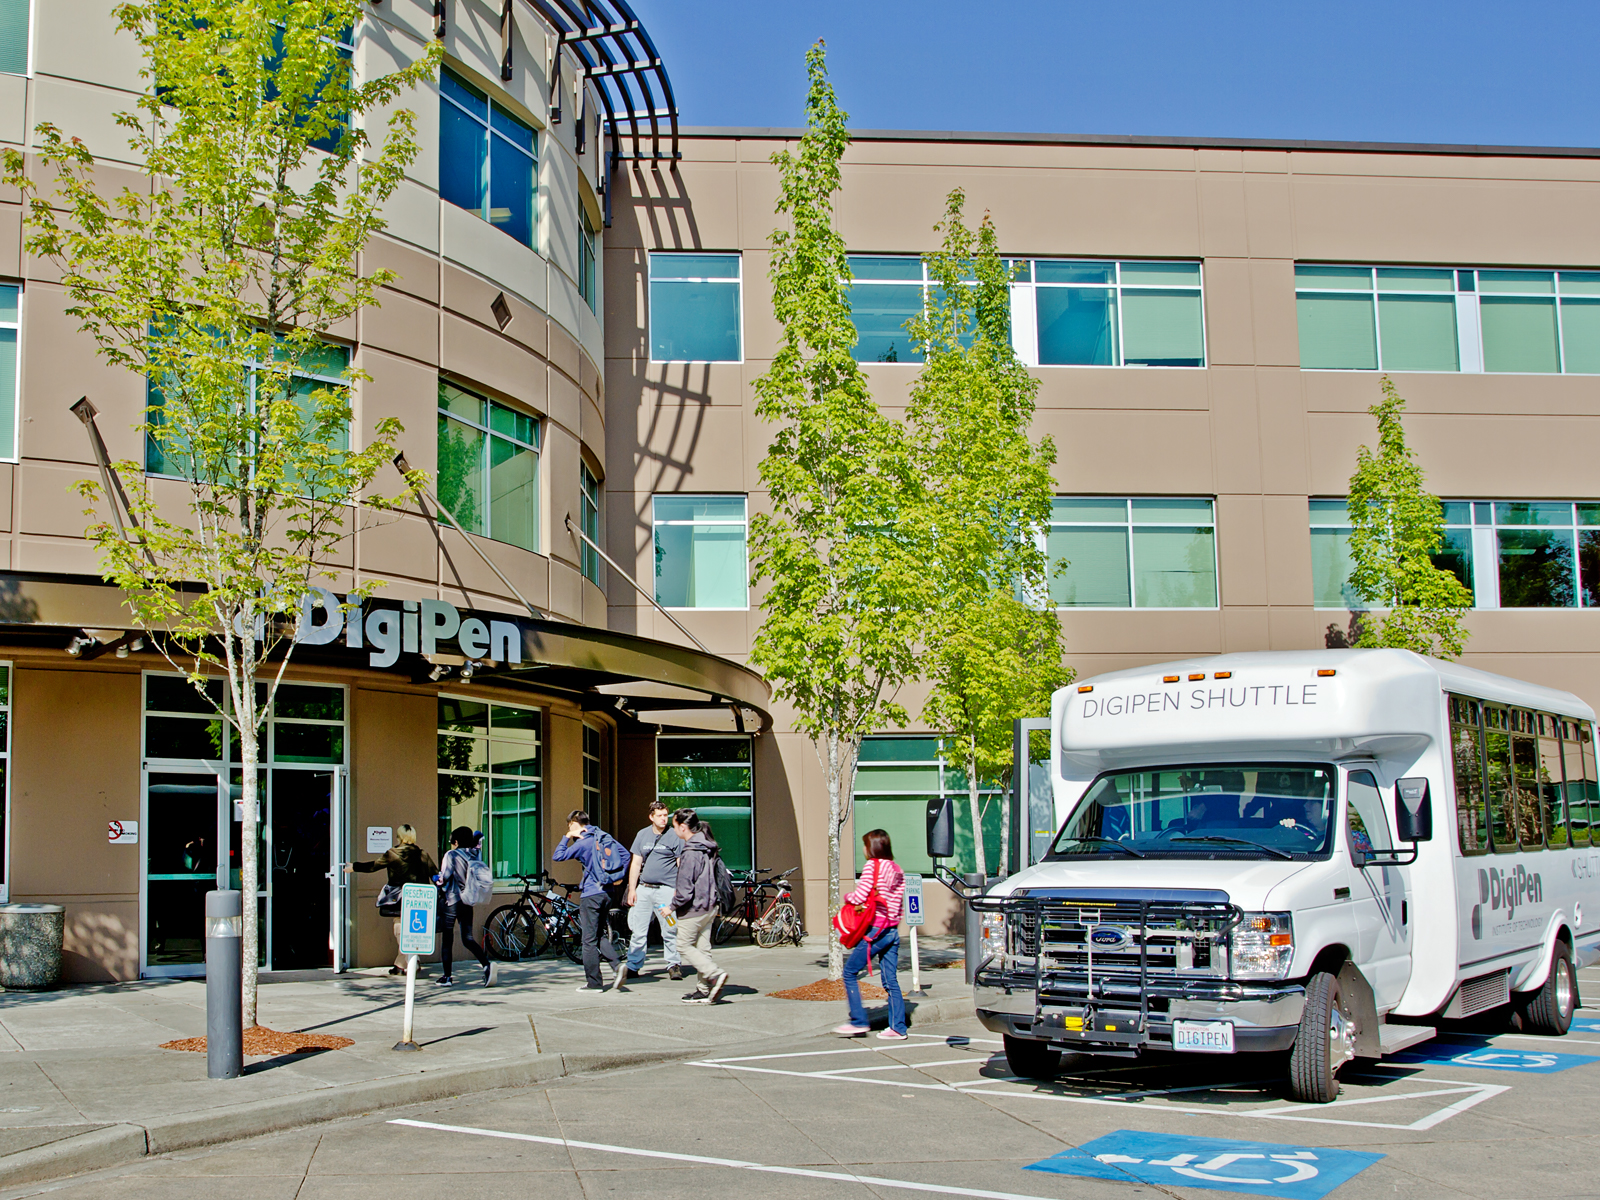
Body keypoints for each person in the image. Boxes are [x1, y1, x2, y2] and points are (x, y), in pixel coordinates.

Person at [834, 828, 908, 1040]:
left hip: (876, 931)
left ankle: (858, 1021)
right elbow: (896, 902)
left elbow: (859, 896)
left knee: (849, 972)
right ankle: (898, 1028)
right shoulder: (897, 869)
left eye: (865, 845)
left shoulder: (872, 866)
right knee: (891, 981)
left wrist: (848, 896)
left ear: (872, 847)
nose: (864, 850)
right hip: (892, 930)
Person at [552, 809, 627, 993]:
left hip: (591, 895)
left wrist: (567, 836)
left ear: (575, 823)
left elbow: (558, 855)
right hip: (607, 893)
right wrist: (617, 877)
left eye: (570, 825)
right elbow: (625, 854)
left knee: (588, 941)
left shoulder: (583, 843)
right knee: (598, 934)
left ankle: (594, 983)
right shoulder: (604, 836)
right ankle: (617, 966)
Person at [347, 823, 437, 975]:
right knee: (413, 929)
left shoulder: (392, 853)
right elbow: (435, 874)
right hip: (420, 897)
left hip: (399, 897)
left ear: (399, 837)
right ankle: (401, 964)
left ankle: (410, 962)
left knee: (400, 926)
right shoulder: (423, 854)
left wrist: (354, 867)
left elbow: (373, 866)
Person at [670, 808, 729, 1004]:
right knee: (703, 949)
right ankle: (704, 990)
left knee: (683, 945)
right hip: (710, 905)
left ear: (684, 827)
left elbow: (685, 888)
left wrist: (671, 906)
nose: (674, 830)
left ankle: (714, 974)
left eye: (675, 826)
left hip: (694, 908)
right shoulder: (707, 846)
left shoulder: (690, 851)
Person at [625, 801, 683, 982]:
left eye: (666, 815)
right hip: (644, 890)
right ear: (651, 817)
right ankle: (633, 966)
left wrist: (678, 891)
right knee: (638, 929)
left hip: (666, 891)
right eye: (660, 815)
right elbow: (635, 863)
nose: (664, 819)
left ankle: (673, 965)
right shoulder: (642, 835)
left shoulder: (674, 836)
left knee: (670, 928)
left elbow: (681, 864)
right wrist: (632, 890)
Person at [433, 826, 494, 988]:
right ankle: (486, 965)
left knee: (447, 939)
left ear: (456, 841)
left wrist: (435, 879)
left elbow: (444, 878)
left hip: (451, 901)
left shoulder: (451, 855)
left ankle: (447, 976)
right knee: (467, 938)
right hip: (467, 900)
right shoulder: (475, 854)